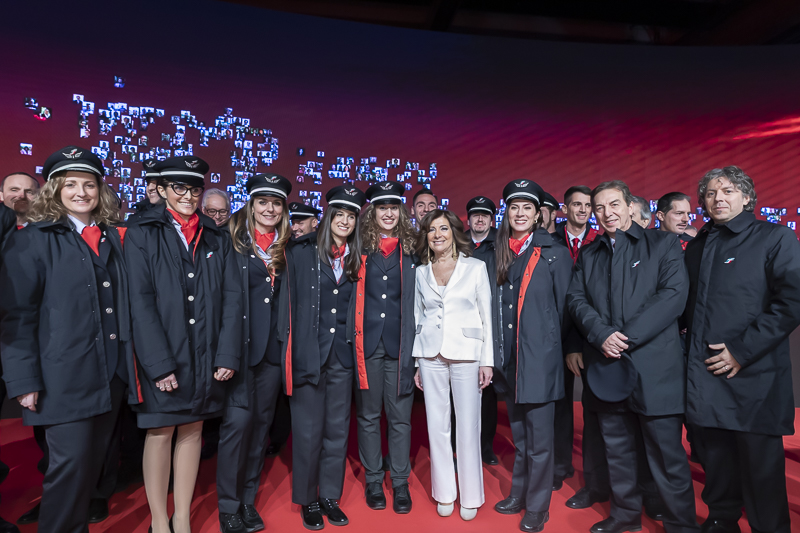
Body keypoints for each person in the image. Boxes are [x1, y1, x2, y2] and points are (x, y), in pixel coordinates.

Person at [0, 146, 130, 533]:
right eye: (70, 184)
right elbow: (17, 317)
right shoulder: (32, 240)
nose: (80, 192)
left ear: (100, 190)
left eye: (89, 184)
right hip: (62, 377)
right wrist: (23, 381)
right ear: (55, 189)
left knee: (91, 468)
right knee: (69, 468)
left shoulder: (113, 239)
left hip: (111, 376)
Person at [566, 180, 699, 533]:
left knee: (667, 457)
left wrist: (623, 338)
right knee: (618, 452)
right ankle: (624, 516)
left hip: (655, 369)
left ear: (628, 206)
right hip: (607, 366)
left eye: (614, 205)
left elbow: (673, 296)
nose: (607, 213)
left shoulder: (664, 243)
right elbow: (576, 300)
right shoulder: (590, 254)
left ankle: (681, 524)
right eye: (599, 208)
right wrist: (601, 334)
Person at [125, 156, 241, 533]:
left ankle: (182, 517)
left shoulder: (216, 236)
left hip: (207, 354)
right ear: (162, 189)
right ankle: (159, 521)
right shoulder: (141, 232)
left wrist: (226, 353)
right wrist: (158, 364)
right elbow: (138, 302)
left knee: (192, 430)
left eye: (195, 189)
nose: (189, 196)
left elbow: (231, 298)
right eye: (180, 188)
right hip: (164, 354)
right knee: (160, 432)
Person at [684, 166, 800, 533]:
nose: (719, 199)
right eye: (711, 193)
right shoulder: (698, 244)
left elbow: (792, 301)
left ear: (747, 197)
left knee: (761, 468)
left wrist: (740, 351)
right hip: (705, 374)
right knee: (715, 459)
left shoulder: (775, 237)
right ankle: (721, 520)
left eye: (729, 191)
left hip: (754, 375)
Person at [490, 179, 574, 533]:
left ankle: (538, 506)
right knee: (521, 437)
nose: (520, 213)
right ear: (506, 212)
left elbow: (567, 308)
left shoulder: (553, 252)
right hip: (508, 360)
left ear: (538, 214)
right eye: (514, 207)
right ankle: (520, 494)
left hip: (539, 360)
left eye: (527, 207)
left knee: (541, 441)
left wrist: (563, 351)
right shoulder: (497, 251)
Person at [282, 185, 367, 529]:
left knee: (336, 430)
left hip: (342, 358)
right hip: (308, 355)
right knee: (307, 431)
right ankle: (307, 498)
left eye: (351, 216)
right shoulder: (301, 253)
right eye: (340, 214)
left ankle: (329, 494)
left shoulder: (358, 256)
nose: (345, 221)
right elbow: (288, 307)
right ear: (329, 215)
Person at [216, 173, 291, 533]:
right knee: (237, 428)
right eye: (263, 202)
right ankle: (227, 505)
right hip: (241, 354)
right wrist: (225, 355)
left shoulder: (288, 247)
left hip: (274, 353)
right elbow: (223, 304)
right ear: (251, 205)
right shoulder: (232, 243)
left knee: (261, 429)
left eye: (276, 203)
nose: (269, 209)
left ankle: (247, 501)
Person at [412, 209, 494, 521]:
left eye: (443, 228)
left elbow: (486, 315)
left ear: (454, 232)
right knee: (437, 426)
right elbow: (419, 317)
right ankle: (445, 492)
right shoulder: (421, 272)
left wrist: (487, 361)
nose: (437, 235)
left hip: (467, 354)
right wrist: (418, 362)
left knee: (468, 428)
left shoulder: (475, 267)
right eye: (431, 230)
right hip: (430, 355)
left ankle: (471, 494)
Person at [352, 181, 417, 514]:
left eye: (394, 207)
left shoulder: (413, 249)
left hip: (400, 346)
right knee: (367, 416)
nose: (389, 213)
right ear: (372, 212)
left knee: (400, 418)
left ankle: (401, 482)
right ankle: (375, 479)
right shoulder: (358, 248)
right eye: (382, 208)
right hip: (367, 344)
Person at [552, 185, 605, 506]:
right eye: (577, 205)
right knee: (559, 404)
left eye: (588, 205)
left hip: (592, 334)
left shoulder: (600, 243)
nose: (583, 210)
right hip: (557, 334)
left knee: (595, 406)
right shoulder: (549, 240)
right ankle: (559, 464)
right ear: (565, 208)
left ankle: (596, 474)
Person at [465, 195, 499, 465]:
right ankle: (460, 445)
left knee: (487, 390)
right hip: (462, 325)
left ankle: (485, 446)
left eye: (485, 215)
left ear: (491, 219)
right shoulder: (458, 242)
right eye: (475, 214)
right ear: (468, 218)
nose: (479, 219)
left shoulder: (500, 244)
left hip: (490, 323)